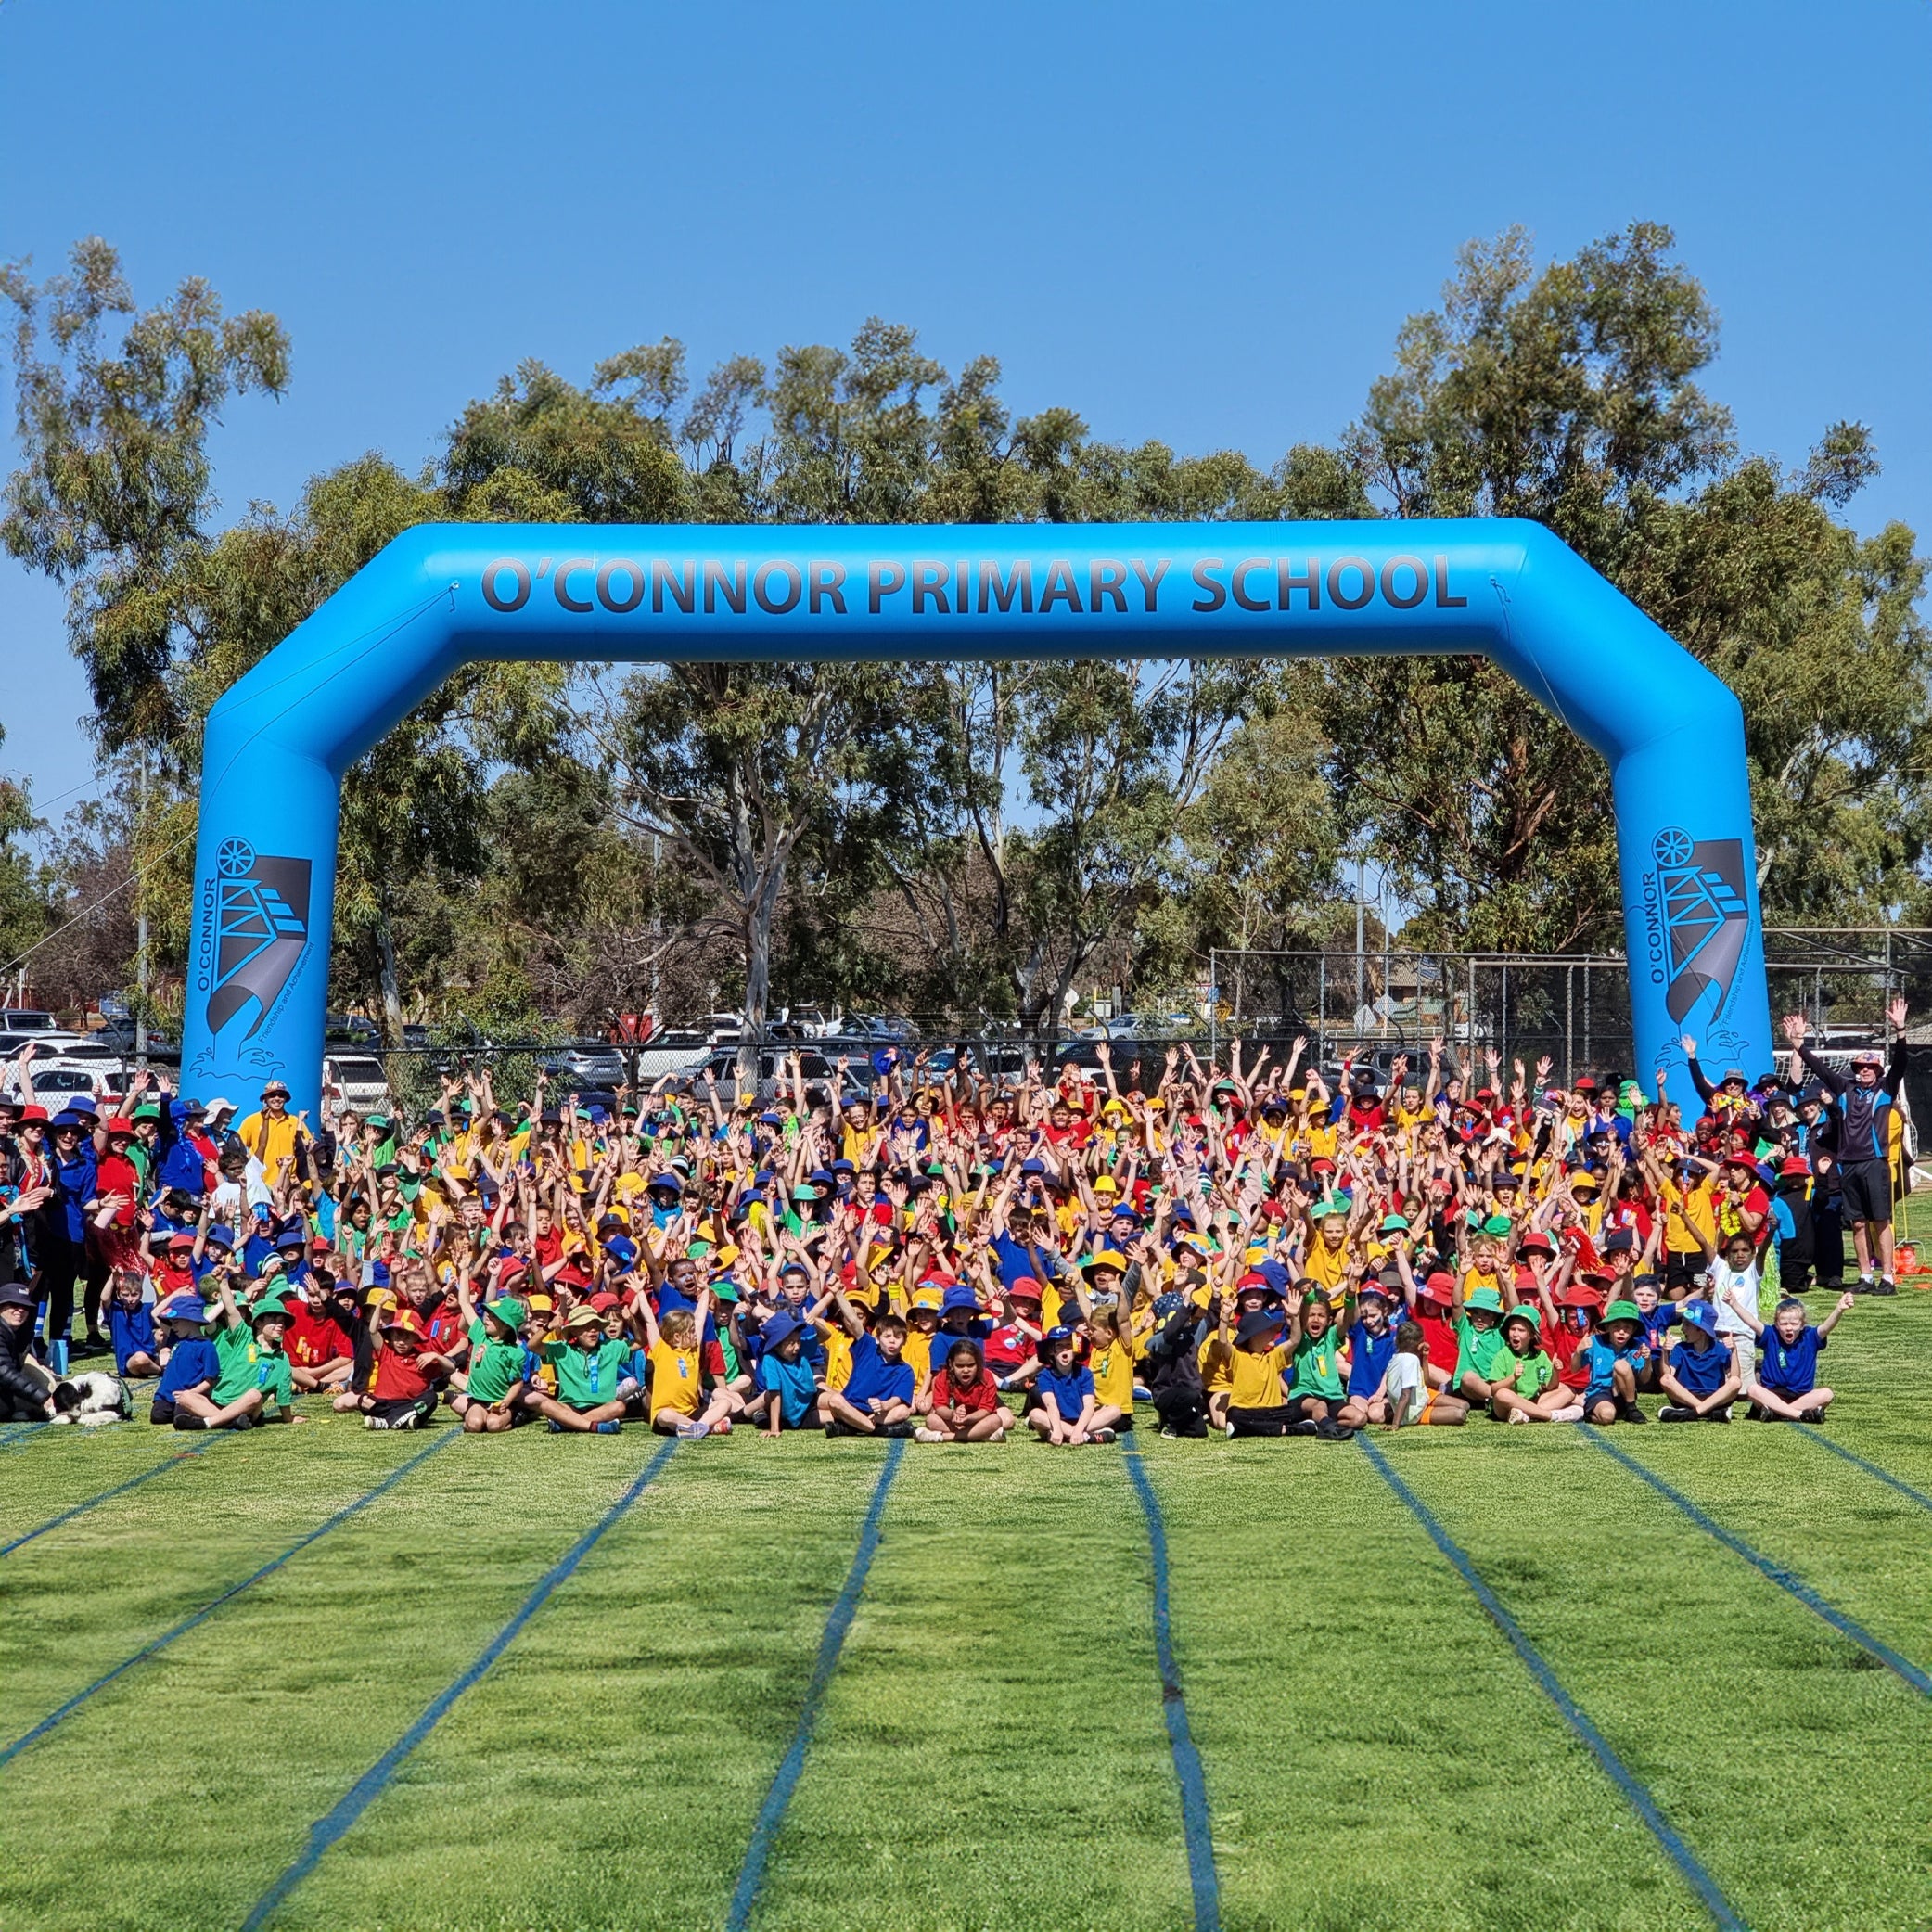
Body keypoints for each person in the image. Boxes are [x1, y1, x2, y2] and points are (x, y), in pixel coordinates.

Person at [1783, 1004, 1908, 1294]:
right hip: (1848, 1163)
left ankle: (1887, 1277)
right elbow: (1819, 1068)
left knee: (1880, 1220)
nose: (1864, 1071)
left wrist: (1900, 1030)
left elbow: (1901, 1063)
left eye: (1870, 1067)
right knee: (1858, 1223)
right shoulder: (1844, 1087)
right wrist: (1798, 1044)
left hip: (1875, 1162)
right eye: (1860, 1067)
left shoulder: (1886, 1089)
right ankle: (1865, 1276)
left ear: (1877, 1070)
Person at [1732, 1290, 1854, 1421]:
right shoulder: (1771, 1334)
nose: (1789, 1328)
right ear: (1777, 1325)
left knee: (1826, 1394)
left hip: (1802, 1396)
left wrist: (1839, 1309)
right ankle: (1798, 1414)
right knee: (1753, 1390)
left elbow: (1826, 1328)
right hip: (1772, 1393)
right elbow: (1752, 1322)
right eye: (1784, 1324)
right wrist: (1734, 1304)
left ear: (1802, 1325)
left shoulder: (1810, 1336)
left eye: (1794, 1324)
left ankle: (1776, 1413)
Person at [1657, 1299, 1741, 1422]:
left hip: (1715, 1397)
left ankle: (1691, 1413)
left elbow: (1734, 1376)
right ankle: (1707, 1411)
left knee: (1736, 1382)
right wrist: (1665, 1352)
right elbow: (1668, 1375)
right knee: (1665, 1379)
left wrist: (1734, 1351)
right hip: (1685, 1397)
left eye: (1687, 1325)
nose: (1682, 1329)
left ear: (1701, 1330)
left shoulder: (1720, 1349)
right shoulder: (1681, 1348)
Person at [916, 1337, 1016, 1442]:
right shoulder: (943, 1377)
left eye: (971, 1365)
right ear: (951, 1364)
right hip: (956, 1421)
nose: (965, 1370)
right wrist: (952, 1413)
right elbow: (940, 1407)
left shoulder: (986, 1376)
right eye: (960, 1366)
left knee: (995, 1420)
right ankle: (982, 1436)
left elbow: (986, 1409)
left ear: (978, 1364)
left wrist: (969, 1419)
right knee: (931, 1419)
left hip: (978, 1420)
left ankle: (944, 1437)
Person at [1027, 1324, 1106, 1444]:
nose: (1064, 1350)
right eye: (1059, 1345)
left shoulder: (1085, 1373)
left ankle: (1070, 1435)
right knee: (1035, 1415)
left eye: (1069, 1345)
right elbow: (1051, 1405)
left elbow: (1089, 1407)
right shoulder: (1044, 1375)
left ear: (1076, 1349)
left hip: (1082, 1421)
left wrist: (1078, 1429)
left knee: (1115, 1410)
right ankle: (1085, 1436)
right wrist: (1058, 1428)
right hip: (1056, 1421)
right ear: (1051, 1351)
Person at [1384, 1322, 1467, 1427]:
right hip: (1415, 1412)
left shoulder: (1395, 1358)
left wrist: (1424, 1357)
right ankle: (1401, 1416)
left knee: (1465, 1405)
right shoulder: (1411, 1360)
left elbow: (1425, 1382)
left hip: (1421, 1396)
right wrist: (1395, 1424)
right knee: (1460, 1414)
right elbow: (1405, 1394)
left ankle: (1396, 1413)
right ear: (1420, 1344)